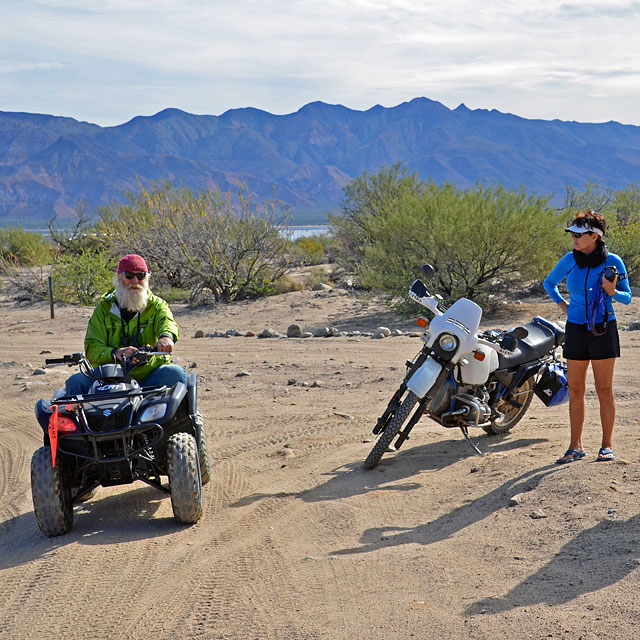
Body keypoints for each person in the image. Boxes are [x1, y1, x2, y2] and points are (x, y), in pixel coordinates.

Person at [543, 210, 632, 464]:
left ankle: (606, 445)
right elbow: (549, 283)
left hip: (604, 328)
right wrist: (564, 306)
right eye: (572, 233)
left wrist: (612, 291)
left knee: (604, 389)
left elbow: (627, 298)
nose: (574, 238)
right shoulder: (570, 260)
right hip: (575, 329)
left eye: (579, 234)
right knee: (576, 390)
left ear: (595, 236)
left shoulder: (613, 261)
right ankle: (575, 446)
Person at [65, 254, 187, 395]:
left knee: (175, 373)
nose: (135, 281)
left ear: (146, 279)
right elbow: (92, 348)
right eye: (129, 275)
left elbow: (167, 322)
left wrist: (166, 337)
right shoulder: (104, 308)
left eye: (140, 276)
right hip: (109, 378)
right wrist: (116, 353)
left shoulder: (157, 305)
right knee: (76, 382)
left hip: (148, 374)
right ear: (119, 277)